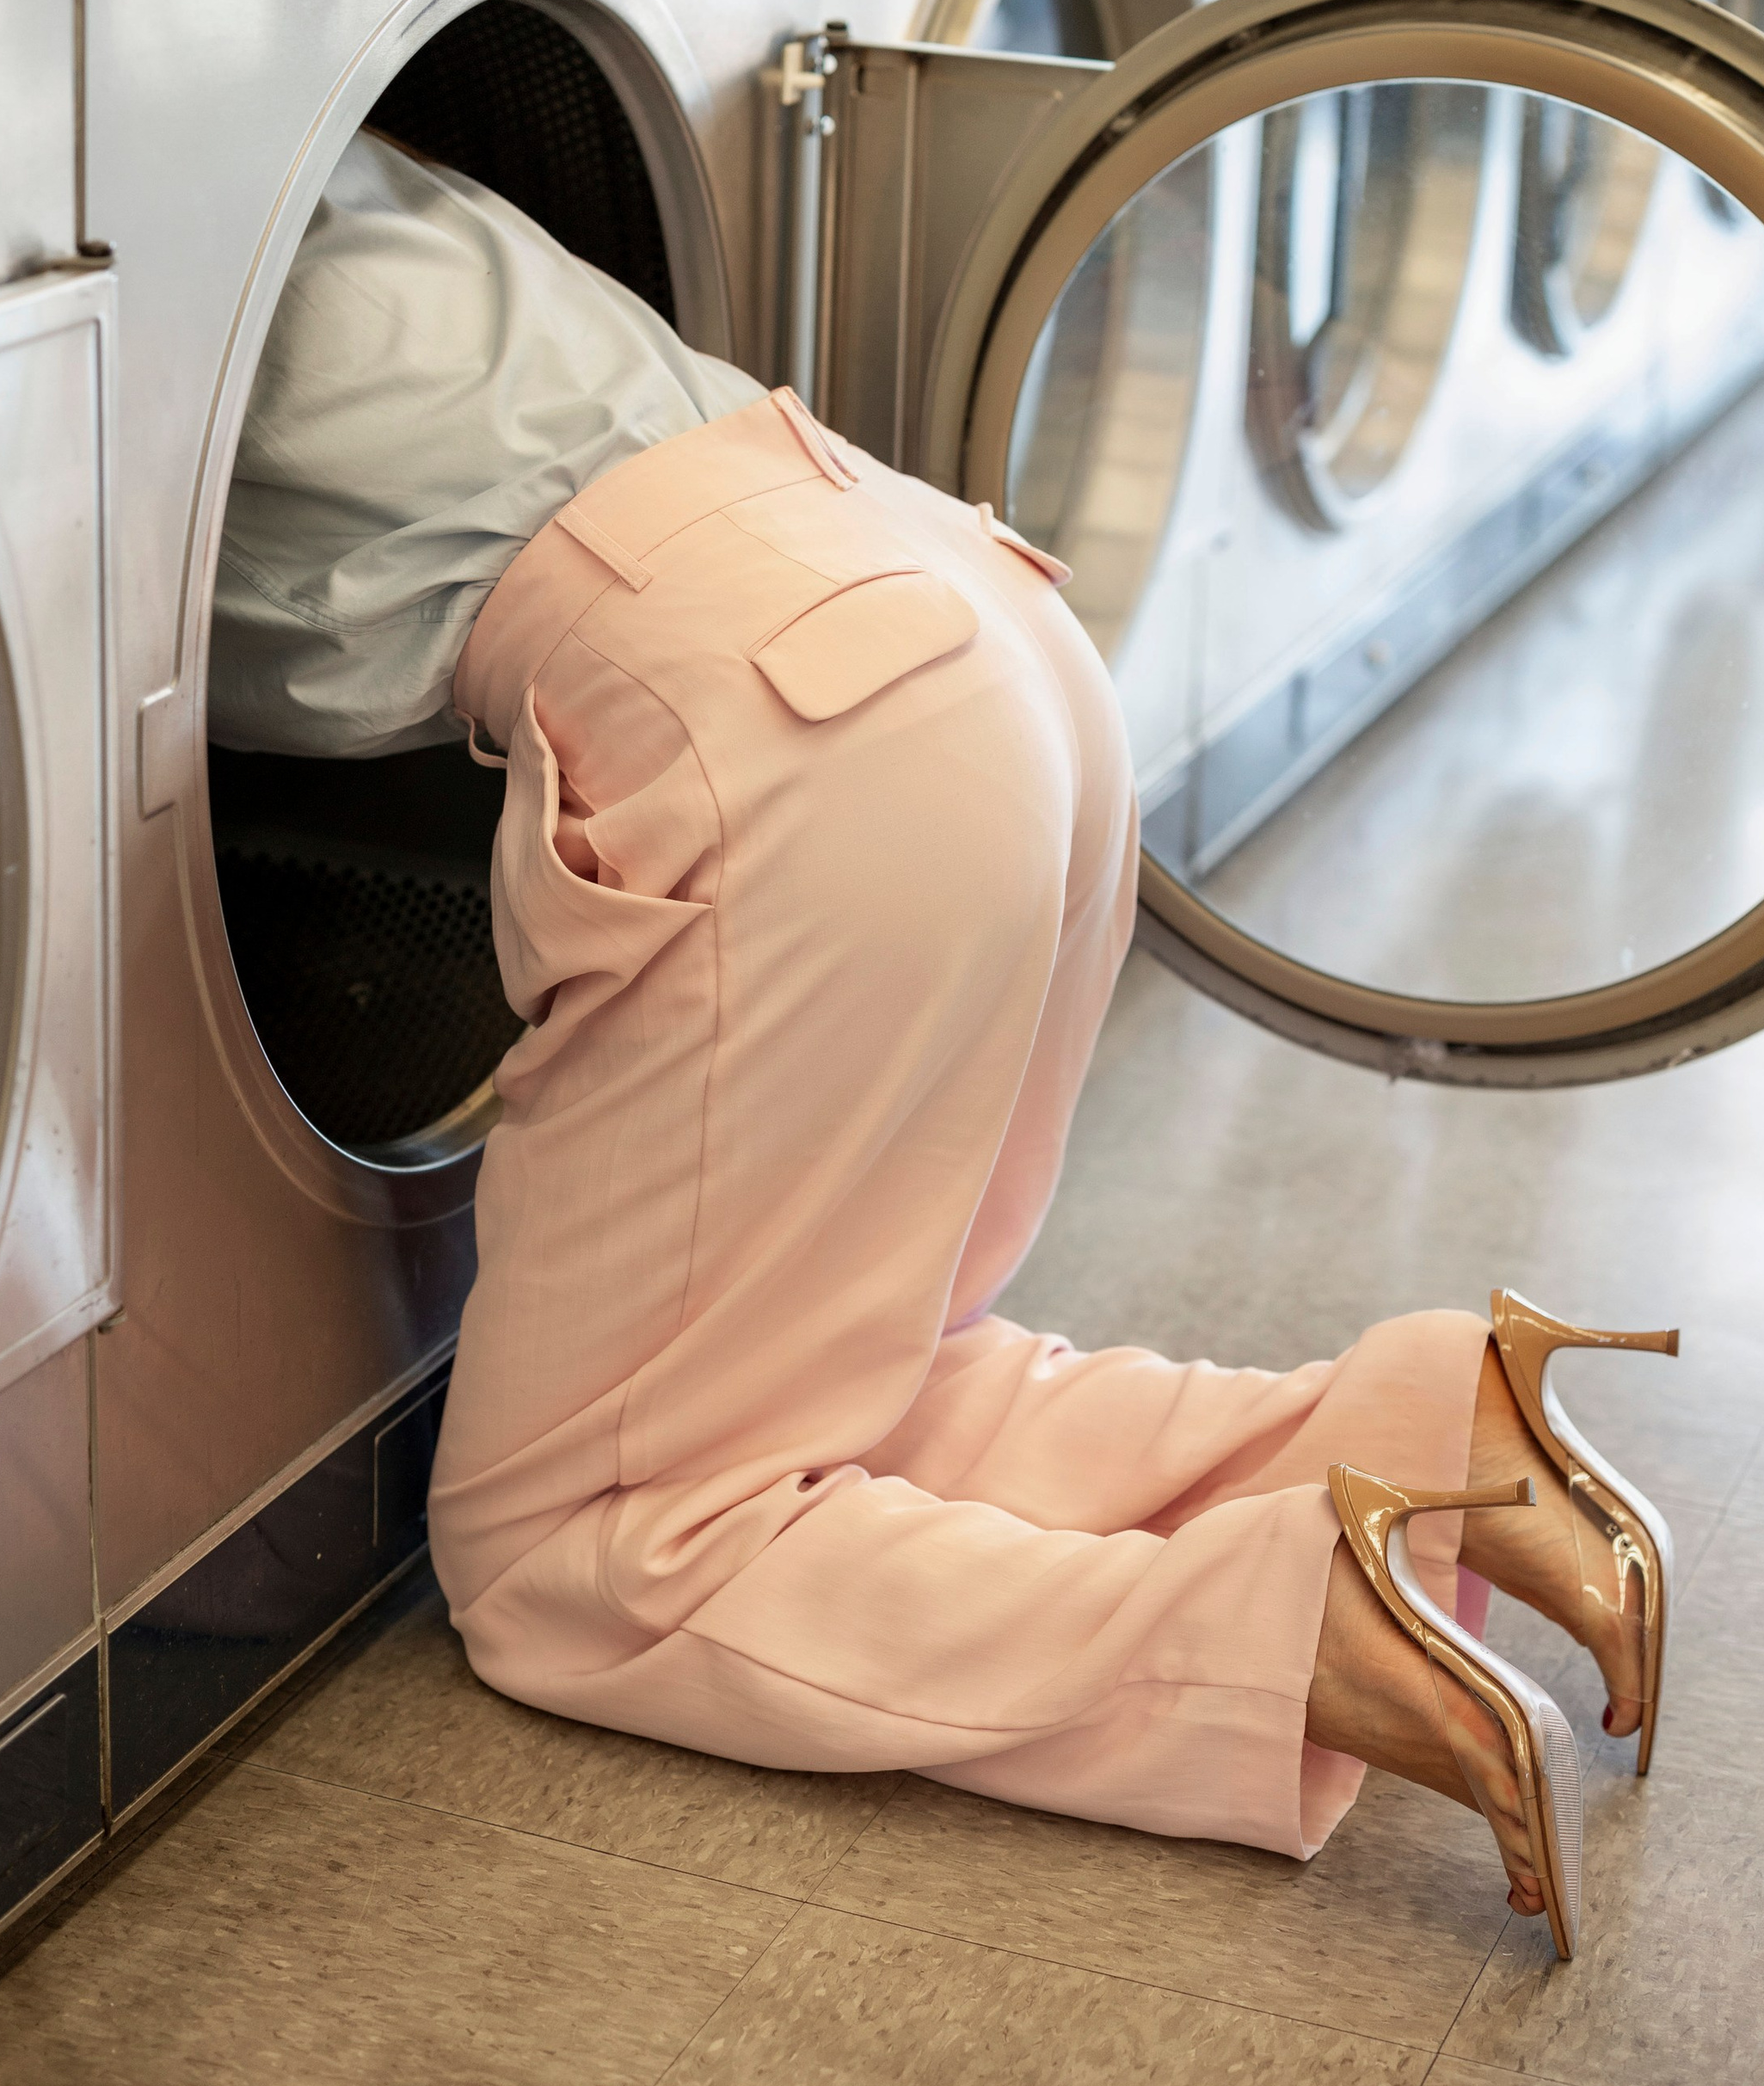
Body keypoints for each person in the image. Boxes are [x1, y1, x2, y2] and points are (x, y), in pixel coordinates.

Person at [218, 128, 1679, 1957]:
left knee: (587, 1557)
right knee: (859, 1375)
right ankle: (1430, 1438)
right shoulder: (290, 153)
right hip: (974, 622)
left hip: (784, 721)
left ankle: (1283, 1636)